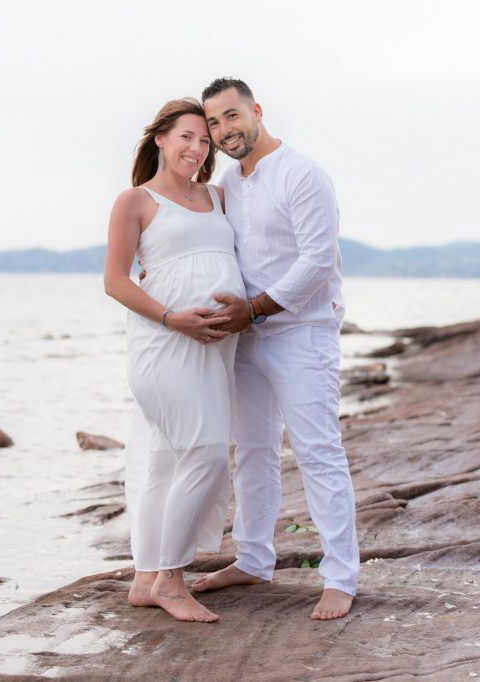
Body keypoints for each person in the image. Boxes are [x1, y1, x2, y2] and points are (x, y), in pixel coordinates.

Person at [191, 78, 361, 621]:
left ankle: (341, 577)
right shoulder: (228, 182)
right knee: (252, 451)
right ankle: (253, 559)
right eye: (213, 123)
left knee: (317, 453)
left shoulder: (302, 174)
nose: (223, 131)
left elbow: (315, 262)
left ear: (256, 111)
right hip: (247, 336)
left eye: (231, 116)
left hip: (301, 333)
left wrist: (257, 307)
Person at [103, 98, 246, 623]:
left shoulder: (217, 195)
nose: (197, 147)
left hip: (216, 347)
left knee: (165, 460)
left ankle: (145, 578)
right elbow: (115, 280)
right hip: (164, 344)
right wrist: (173, 318)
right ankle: (172, 579)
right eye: (186, 136)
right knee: (206, 456)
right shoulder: (135, 200)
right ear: (160, 139)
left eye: (204, 140)